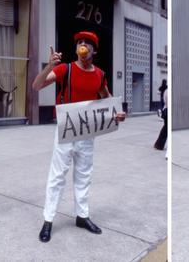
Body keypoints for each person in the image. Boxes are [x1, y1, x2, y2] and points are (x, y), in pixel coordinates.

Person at [31, 31, 126, 242]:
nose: (83, 46)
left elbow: (107, 99)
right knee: (57, 176)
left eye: (87, 43)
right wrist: (49, 65)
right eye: (80, 43)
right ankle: (48, 220)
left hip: (87, 133)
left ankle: (82, 216)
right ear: (76, 49)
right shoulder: (66, 69)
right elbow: (36, 86)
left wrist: (116, 113)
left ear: (94, 50)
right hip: (66, 130)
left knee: (84, 175)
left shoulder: (100, 75)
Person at [154, 79, 168, 150]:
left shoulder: (163, 89)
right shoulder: (166, 88)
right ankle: (159, 144)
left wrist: (160, 93)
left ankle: (158, 144)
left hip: (164, 105)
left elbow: (158, 92)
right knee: (166, 128)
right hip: (167, 109)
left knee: (165, 128)